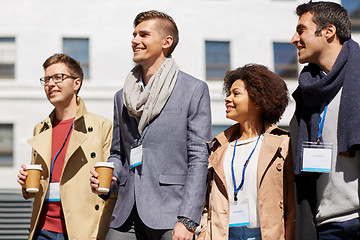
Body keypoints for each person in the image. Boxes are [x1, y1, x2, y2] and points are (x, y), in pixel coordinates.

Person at [90, 10, 212, 240]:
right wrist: (109, 176)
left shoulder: (193, 90)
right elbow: (118, 154)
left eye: (143, 35)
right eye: (134, 34)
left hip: (171, 213)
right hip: (126, 212)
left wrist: (187, 219)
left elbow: (199, 157)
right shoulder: (121, 96)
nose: (134, 40)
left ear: (167, 42)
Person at [17, 53, 115, 240]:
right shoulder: (41, 128)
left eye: (58, 77)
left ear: (76, 83)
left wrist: (100, 233)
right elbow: (35, 188)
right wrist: (25, 182)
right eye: (46, 79)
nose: (50, 84)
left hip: (82, 231)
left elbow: (112, 189)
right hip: (42, 230)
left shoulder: (102, 127)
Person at [197, 64, 295, 240]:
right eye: (229, 93)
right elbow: (208, 201)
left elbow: (290, 205)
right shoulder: (219, 146)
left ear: (257, 101)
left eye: (236, 94)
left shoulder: (282, 144)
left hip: (265, 235)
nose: (227, 99)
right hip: (224, 235)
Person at [290, 1, 360, 239]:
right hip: (325, 225)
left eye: (301, 30)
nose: (294, 39)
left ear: (329, 31)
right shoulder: (306, 95)